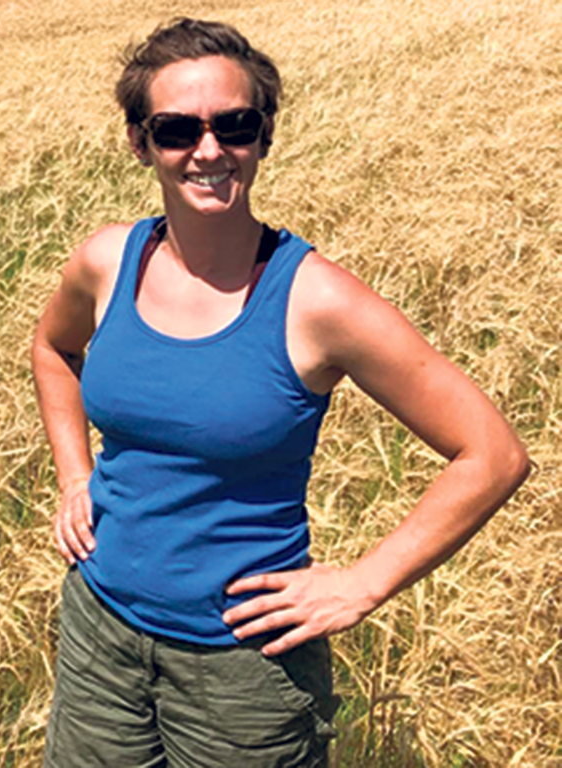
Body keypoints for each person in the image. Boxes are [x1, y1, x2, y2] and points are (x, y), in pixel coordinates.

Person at [30, 17, 530, 767]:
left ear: (264, 136)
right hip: (100, 634)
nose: (209, 150)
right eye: (176, 130)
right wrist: (75, 474)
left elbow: (492, 453)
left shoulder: (317, 302)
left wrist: (364, 583)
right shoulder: (107, 262)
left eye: (235, 125)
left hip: (244, 670)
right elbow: (53, 348)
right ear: (140, 144)